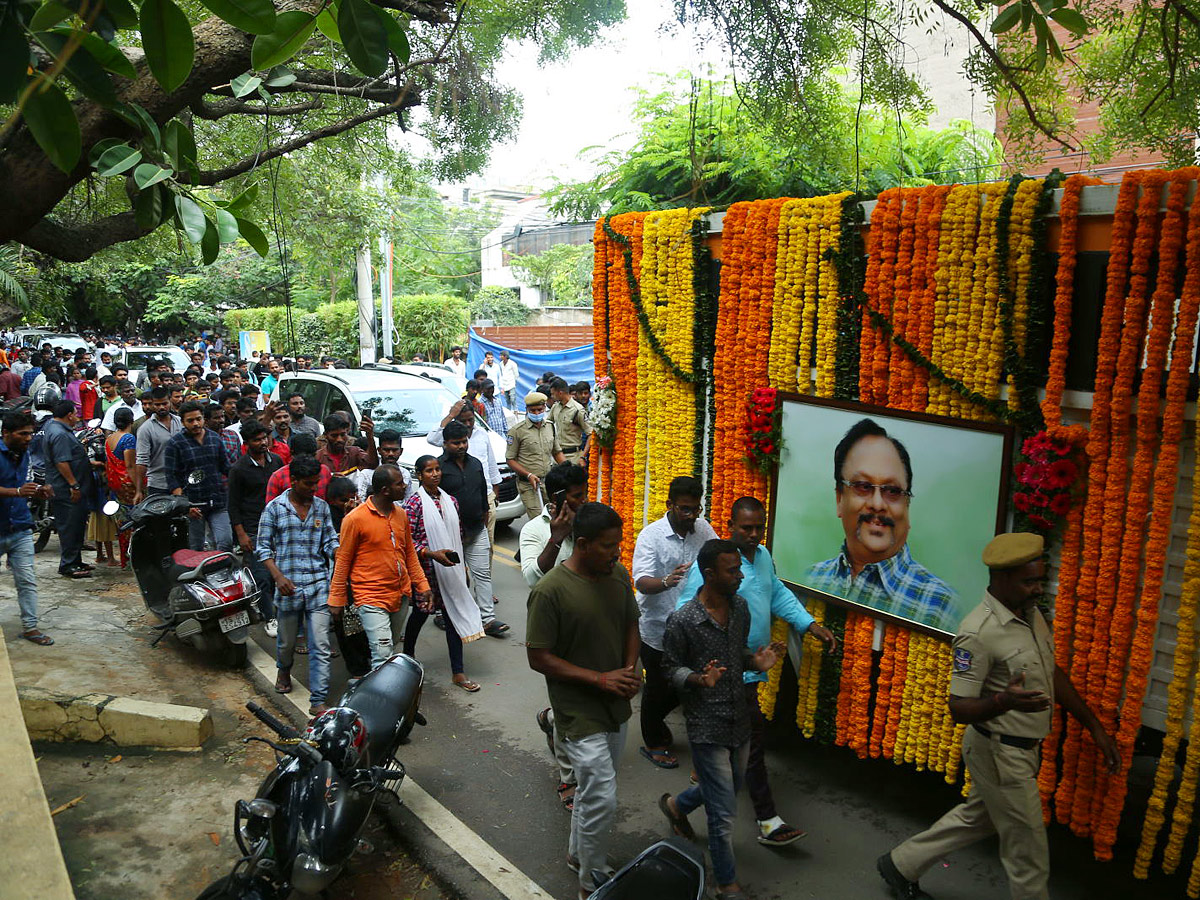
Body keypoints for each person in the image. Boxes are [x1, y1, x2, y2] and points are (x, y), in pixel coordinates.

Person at [880, 534, 1121, 900]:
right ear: (1002, 579)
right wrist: (1003, 702)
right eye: (1030, 581)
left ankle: (901, 865)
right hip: (999, 753)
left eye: (1040, 579)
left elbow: (1051, 672)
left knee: (981, 816)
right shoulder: (978, 633)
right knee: (1028, 854)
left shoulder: (1030, 614)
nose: (1038, 589)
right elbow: (958, 707)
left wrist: (1094, 727)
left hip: (1021, 751)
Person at [677, 496, 838, 846]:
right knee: (752, 745)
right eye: (746, 528)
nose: (753, 535)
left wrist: (810, 625)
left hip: (750, 668)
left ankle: (681, 805)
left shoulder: (762, 557)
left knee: (737, 754)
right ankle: (767, 820)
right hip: (723, 672)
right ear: (730, 525)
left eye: (758, 528)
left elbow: (776, 593)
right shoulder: (713, 564)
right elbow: (684, 612)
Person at [660, 539, 787, 900]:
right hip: (706, 726)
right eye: (732, 570)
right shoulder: (683, 620)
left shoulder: (741, 607)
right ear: (710, 573)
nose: (739, 575)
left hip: (740, 721)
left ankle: (676, 806)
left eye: (740, 568)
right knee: (723, 812)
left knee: (727, 789)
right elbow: (668, 668)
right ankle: (726, 884)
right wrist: (699, 679)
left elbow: (738, 653)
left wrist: (754, 661)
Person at [527, 502, 640, 898]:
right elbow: (538, 657)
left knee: (594, 793)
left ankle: (578, 854)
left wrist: (629, 669)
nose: (617, 553)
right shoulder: (550, 591)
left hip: (615, 703)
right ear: (584, 544)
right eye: (609, 546)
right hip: (577, 711)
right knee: (604, 795)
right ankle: (591, 880)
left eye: (619, 544)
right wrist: (598, 679)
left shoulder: (618, 575)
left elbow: (630, 623)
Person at [806, 418, 958, 632]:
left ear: (907, 505)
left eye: (892, 491)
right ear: (840, 499)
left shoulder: (942, 606)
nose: (877, 504)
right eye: (863, 486)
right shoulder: (811, 579)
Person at [631, 475, 718, 769]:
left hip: (692, 628)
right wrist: (667, 581)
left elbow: (717, 557)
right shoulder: (651, 536)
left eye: (696, 509)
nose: (692, 516)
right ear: (669, 505)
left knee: (688, 685)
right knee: (657, 688)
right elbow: (641, 582)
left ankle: (669, 730)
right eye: (685, 509)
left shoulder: (703, 530)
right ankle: (654, 742)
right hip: (657, 628)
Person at [522, 461, 588, 812]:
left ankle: (549, 720)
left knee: (581, 701)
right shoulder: (534, 531)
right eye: (577, 496)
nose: (584, 500)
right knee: (568, 708)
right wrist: (558, 537)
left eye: (585, 493)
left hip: (588, 625)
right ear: (559, 498)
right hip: (553, 633)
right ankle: (569, 778)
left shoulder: (589, 521)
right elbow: (533, 579)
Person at [256, 456, 339, 717]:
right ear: (294, 481)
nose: (314, 489)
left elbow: (329, 540)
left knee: (321, 644)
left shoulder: (322, 508)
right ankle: (284, 668)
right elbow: (263, 548)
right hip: (288, 588)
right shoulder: (274, 509)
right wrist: (278, 577)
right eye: (308, 484)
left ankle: (318, 699)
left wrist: (338, 552)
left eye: (316, 484)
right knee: (286, 643)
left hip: (317, 585)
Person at [330, 464, 431, 669]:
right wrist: (336, 598)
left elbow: (409, 554)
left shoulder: (401, 514)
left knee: (389, 649)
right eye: (400, 484)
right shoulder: (354, 519)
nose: (405, 487)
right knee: (383, 655)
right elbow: (343, 561)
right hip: (370, 596)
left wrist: (423, 585)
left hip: (399, 594)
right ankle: (381, 698)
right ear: (385, 490)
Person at [402, 455, 486, 690]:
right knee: (420, 614)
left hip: (450, 570)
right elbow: (408, 542)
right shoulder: (414, 505)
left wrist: (462, 567)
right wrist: (431, 553)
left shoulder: (451, 501)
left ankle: (458, 672)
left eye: (437, 469)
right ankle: (406, 659)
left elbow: (457, 537)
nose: (435, 474)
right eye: (429, 471)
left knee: (452, 617)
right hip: (426, 572)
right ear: (419, 475)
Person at [438, 421, 506, 636]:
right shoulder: (438, 468)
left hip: (477, 530)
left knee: (482, 573)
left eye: (464, 441)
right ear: (445, 443)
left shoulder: (475, 463)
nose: (461, 446)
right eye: (455, 443)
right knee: (452, 577)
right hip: (449, 536)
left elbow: (481, 495)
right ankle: (446, 614)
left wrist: (484, 520)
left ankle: (488, 619)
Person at [0, 411, 53, 643]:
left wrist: (39, 489)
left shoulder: (24, 453)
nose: (29, 438)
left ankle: (31, 627)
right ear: (6, 434)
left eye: (30, 433)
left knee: (27, 579)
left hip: (20, 527)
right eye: (23, 434)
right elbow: (17, 489)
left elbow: (23, 484)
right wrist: (18, 492)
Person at [228, 419, 284, 638]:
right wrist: (241, 534)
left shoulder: (276, 461)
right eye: (257, 440)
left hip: (277, 526)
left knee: (278, 572)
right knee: (262, 574)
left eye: (264, 438)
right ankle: (269, 616)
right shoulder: (239, 469)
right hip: (252, 526)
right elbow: (233, 505)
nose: (262, 443)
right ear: (247, 443)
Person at [165, 400, 232, 551]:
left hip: (217, 500)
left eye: (198, 419)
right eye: (190, 420)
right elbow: (172, 477)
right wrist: (185, 505)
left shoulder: (215, 439)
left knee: (225, 542)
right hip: (193, 505)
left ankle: (222, 573)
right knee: (195, 548)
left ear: (204, 419)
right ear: (182, 422)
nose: (195, 423)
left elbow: (226, 468)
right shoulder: (175, 444)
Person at [43, 399, 93, 578]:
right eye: (75, 414)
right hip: (66, 489)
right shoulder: (60, 434)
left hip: (67, 487)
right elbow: (61, 462)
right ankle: (68, 565)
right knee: (70, 527)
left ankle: (76, 560)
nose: (77, 417)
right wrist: (74, 484)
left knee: (76, 525)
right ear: (69, 415)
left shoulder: (54, 428)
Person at [506, 392, 567, 520]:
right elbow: (510, 459)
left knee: (554, 517)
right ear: (527, 409)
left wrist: (569, 469)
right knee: (539, 520)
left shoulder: (550, 427)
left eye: (539, 410)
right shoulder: (517, 431)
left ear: (545, 407)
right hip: (529, 485)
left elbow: (556, 452)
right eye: (532, 410)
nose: (536, 413)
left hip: (548, 482)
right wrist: (528, 475)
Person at [133, 387, 181, 503]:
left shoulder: (180, 422)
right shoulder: (145, 429)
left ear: (170, 401)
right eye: (157, 404)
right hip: (158, 484)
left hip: (182, 481)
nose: (161, 407)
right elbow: (141, 460)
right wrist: (139, 490)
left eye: (164, 403)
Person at [104, 407, 137, 568]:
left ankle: (124, 558)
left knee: (122, 523)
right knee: (134, 522)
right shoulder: (129, 439)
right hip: (128, 485)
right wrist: (138, 487)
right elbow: (130, 465)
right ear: (131, 420)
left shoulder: (109, 438)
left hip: (115, 484)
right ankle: (132, 559)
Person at [352, 428, 409, 501]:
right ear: (379, 450)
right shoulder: (366, 474)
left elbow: (408, 501)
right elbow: (361, 500)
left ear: (401, 451)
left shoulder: (405, 474)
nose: (390, 454)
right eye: (386, 450)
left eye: (394, 450)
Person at [548, 378, 591, 466]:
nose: (552, 396)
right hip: (557, 456)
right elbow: (547, 424)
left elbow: (591, 434)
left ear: (560, 392)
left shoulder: (578, 410)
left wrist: (583, 456)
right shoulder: (555, 407)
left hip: (573, 457)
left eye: (553, 394)